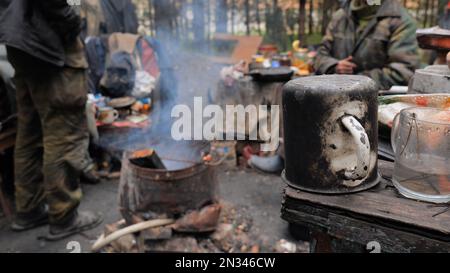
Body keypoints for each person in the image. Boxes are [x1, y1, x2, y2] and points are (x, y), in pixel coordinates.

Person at [0, 0, 102, 240]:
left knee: (30, 128)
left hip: (23, 40)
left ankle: (29, 209)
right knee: (64, 130)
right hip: (47, 41)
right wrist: (71, 20)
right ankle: (64, 215)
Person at [314, 0, 420, 90]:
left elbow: (402, 72)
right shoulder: (340, 17)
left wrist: (352, 82)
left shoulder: (400, 21)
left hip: (377, 104)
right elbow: (319, 56)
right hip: (331, 98)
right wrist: (334, 66)